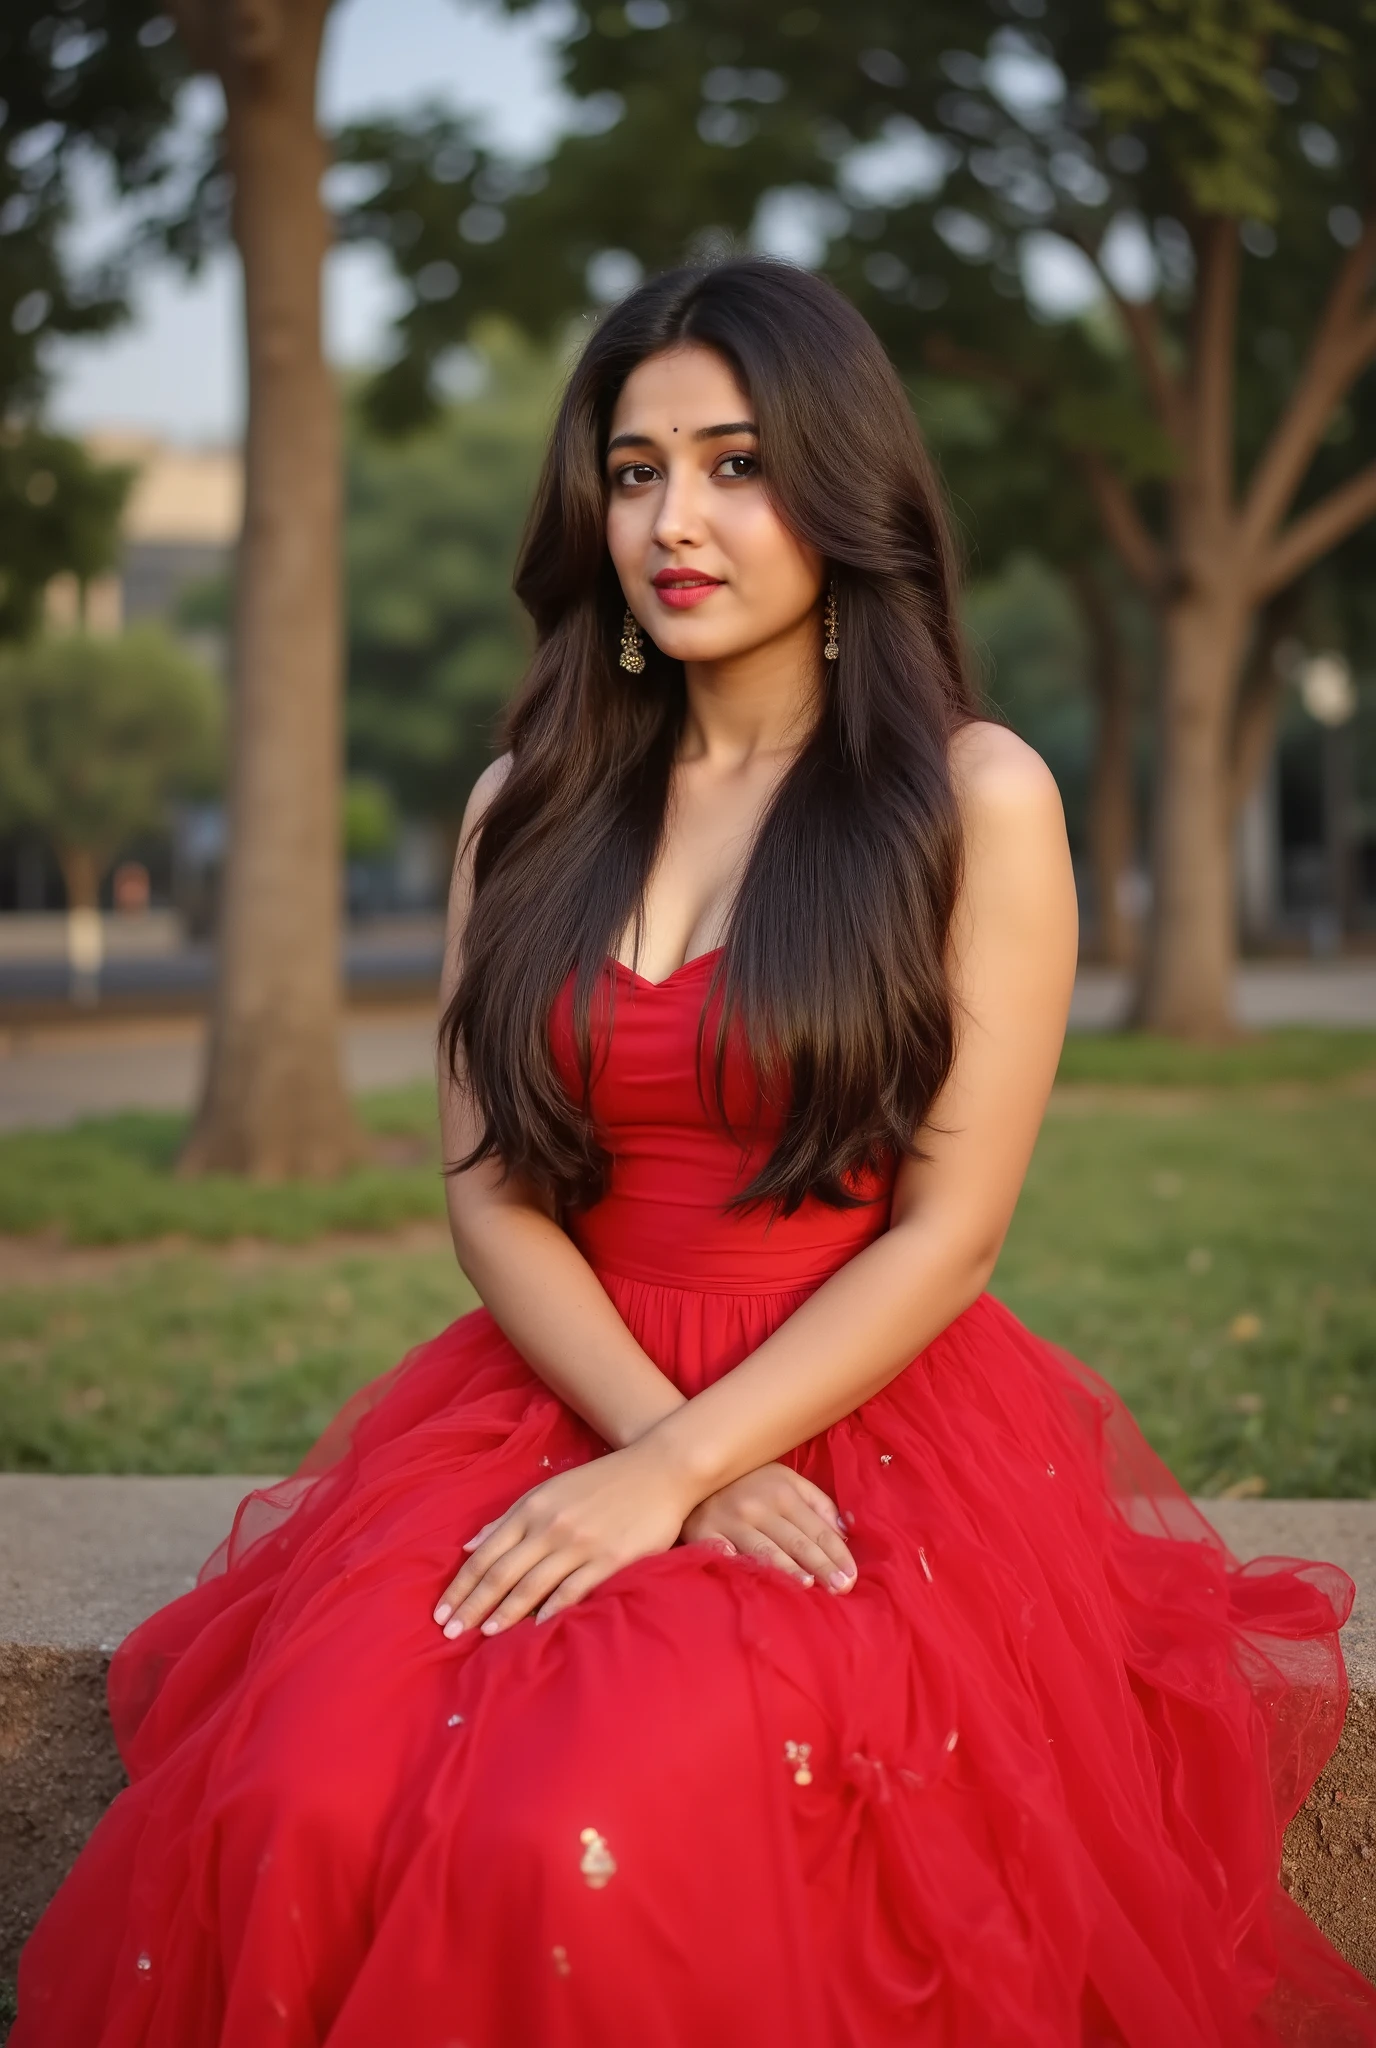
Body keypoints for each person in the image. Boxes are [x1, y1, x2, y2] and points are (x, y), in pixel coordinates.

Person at [14, 259, 1375, 2048]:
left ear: (845, 487)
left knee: (570, 1836)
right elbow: (492, 1196)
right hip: (551, 1389)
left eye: (737, 465)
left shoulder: (973, 799)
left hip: (858, 1423)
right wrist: (651, 1450)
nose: (675, 520)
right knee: (304, 1800)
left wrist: (687, 1469)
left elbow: (953, 1232)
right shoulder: (525, 805)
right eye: (635, 471)